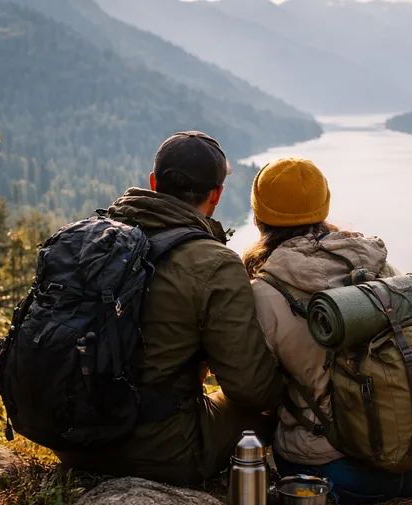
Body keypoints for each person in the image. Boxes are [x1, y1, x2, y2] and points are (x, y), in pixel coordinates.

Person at [56, 131, 286, 485]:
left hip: (70, 435)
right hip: (156, 450)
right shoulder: (214, 263)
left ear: (153, 183)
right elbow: (251, 388)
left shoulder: (96, 238)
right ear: (216, 195)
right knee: (265, 413)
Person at [243, 157, 412, 504]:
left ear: (258, 217)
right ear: (324, 208)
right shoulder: (375, 263)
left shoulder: (262, 293)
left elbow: (252, 389)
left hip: (341, 476)